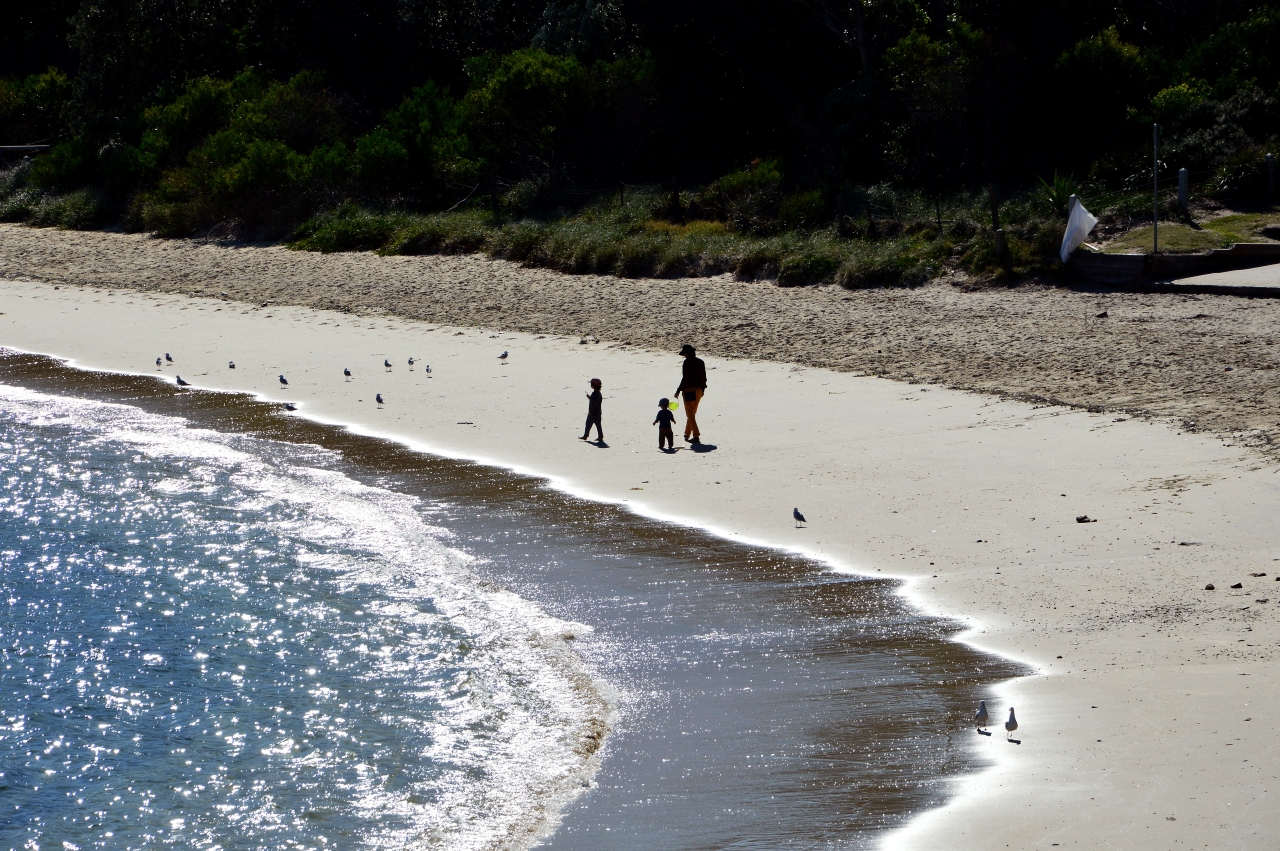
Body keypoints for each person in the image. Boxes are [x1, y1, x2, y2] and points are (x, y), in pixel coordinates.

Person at [674, 344, 706, 443]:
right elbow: (703, 377)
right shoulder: (701, 362)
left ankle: (696, 435)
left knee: (690, 414)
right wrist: (703, 390)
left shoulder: (687, 362)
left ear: (686, 353)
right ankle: (687, 434)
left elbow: (685, 378)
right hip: (699, 391)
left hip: (688, 390)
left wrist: (678, 390)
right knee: (692, 413)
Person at [580, 378, 604, 442]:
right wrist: (590, 397)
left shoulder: (594, 394)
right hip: (598, 413)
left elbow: (594, 404)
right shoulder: (598, 393)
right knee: (598, 425)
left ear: (593, 385)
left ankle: (585, 436)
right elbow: (596, 401)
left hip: (593, 413)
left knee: (588, 424)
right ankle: (600, 436)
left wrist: (591, 411)